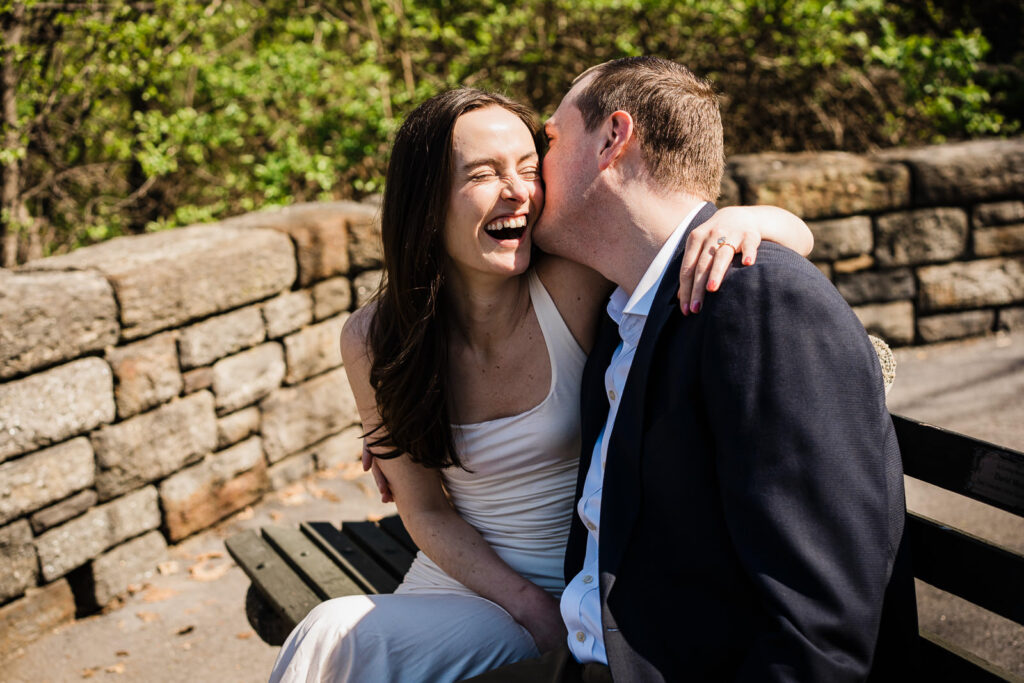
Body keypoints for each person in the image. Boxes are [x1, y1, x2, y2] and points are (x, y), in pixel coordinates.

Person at [268, 87, 815, 682]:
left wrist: (741, 219)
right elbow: (424, 510)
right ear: (424, 202)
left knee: (332, 639)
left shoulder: (574, 285)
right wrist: (529, 607)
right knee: (336, 638)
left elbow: (786, 237)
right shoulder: (377, 339)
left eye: (529, 169)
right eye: (484, 173)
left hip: (584, 592)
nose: (518, 192)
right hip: (464, 584)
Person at [467, 57, 918, 683]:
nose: (533, 174)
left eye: (550, 139)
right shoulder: (624, 306)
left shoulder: (759, 301)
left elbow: (822, 627)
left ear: (613, 139)